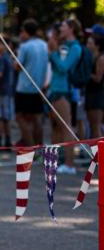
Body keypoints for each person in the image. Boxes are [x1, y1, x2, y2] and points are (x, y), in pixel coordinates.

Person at [47, 19, 82, 173]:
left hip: (64, 91)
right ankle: (57, 160)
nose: (60, 28)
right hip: (54, 90)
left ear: (71, 29)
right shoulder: (63, 45)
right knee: (56, 127)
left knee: (66, 127)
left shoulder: (75, 48)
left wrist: (54, 52)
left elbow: (64, 68)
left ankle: (70, 164)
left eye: (63, 26)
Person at [14, 19, 48, 148]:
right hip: (38, 87)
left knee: (20, 118)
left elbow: (17, 66)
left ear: (26, 32)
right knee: (37, 119)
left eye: (21, 31)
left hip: (24, 88)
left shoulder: (25, 46)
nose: (20, 34)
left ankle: (31, 147)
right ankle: (39, 147)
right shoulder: (43, 44)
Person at [85, 32, 104, 141]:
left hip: (97, 94)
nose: (87, 45)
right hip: (90, 92)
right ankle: (96, 154)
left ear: (96, 45)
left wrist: (86, 73)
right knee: (92, 126)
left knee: (96, 126)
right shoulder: (92, 57)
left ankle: (100, 155)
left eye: (90, 43)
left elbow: (98, 78)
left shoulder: (101, 58)